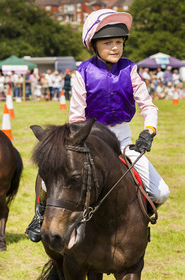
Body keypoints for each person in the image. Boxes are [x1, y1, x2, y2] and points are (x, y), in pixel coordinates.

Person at [26, 9, 170, 243]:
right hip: (90, 139)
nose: (115, 47)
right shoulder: (82, 72)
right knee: (47, 179)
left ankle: (139, 221)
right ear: (93, 45)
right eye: (109, 42)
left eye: (119, 42)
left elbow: (149, 106)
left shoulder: (130, 69)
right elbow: (75, 117)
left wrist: (148, 131)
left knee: (161, 192)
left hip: (123, 141)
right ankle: (39, 214)